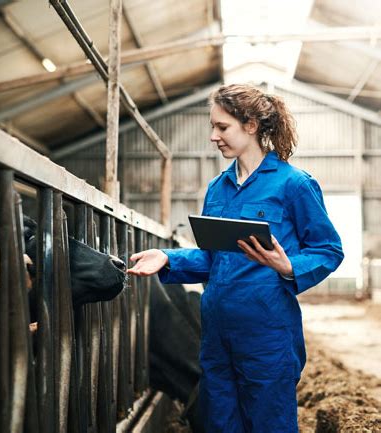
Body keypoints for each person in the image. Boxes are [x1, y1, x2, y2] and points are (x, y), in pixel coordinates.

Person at [127, 84, 344, 433]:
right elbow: (215, 260)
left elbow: (329, 249)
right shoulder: (217, 188)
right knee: (220, 425)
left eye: (222, 127)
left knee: (269, 424)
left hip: (266, 333)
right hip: (216, 334)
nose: (214, 136)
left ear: (251, 126)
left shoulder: (293, 184)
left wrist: (290, 267)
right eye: (212, 127)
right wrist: (167, 259)